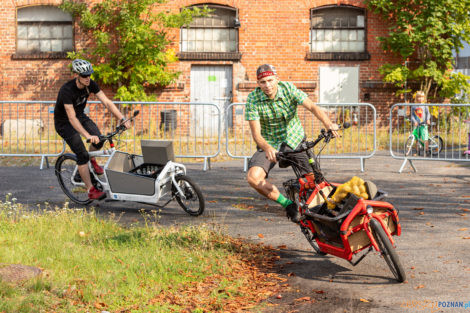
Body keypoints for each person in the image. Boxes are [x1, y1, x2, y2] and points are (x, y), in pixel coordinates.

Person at [245, 64, 339, 223]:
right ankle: (288, 204)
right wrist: (267, 147)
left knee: (315, 183)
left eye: (270, 80)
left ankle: (328, 220)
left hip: (294, 139)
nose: (267, 85)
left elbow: (312, 107)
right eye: (262, 82)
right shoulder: (253, 99)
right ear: (258, 84)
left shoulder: (288, 89)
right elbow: (256, 134)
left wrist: (328, 124)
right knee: (253, 178)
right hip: (270, 143)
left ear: (276, 79)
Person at [54, 59, 131, 200]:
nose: (88, 78)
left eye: (89, 75)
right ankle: (90, 189)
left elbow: (107, 102)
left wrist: (122, 118)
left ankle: (91, 162)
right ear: (77, 75)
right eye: (84, 76)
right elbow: (71, 118)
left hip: (80, 116)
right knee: (82, 154)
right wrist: (87, 135)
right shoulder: (67, 90)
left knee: (99, 139)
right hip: (64, 122)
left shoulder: (91, 85)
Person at [410, 91, 431, 156]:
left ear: (424, 98)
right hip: (417, 125)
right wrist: (414, 121)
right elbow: (412, 115)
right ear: (416, 98)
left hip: (423, 124)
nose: (420, 99)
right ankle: (417, 151)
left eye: (422, 97)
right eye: (419, 97)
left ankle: (427, 151)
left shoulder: (425, 105)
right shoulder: (414, 106)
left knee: (425, 138)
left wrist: (427, 119)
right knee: (417, 138)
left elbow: (428, 113)